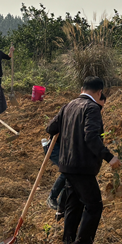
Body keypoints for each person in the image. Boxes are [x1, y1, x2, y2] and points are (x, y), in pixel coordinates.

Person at [45, 76, 121, 244]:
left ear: (82, 89)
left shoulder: (68, 106)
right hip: (82, 165)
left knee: (74, 205)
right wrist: (109, 158)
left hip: (67, 165)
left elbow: (50, 128)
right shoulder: (92, 108)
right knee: (94, 206)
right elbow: (91, 137)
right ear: (99, 92)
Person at [46, 94, 107, 222]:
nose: (100, 109)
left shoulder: (86, 114)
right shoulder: (82, 110)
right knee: (68, 173)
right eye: (100, 106)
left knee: (71, 178)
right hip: (57, 148)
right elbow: (51, 128)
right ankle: (53, 198)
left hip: (68, 151)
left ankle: (61, 209)